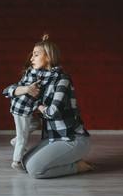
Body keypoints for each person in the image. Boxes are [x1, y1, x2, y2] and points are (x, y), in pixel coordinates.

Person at [10, 34, 96, 178]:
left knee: (35, 170)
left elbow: (53, 112)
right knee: (24, 162)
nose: (31, 58)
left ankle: (78, 166)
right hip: (52, 137)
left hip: (72, 138)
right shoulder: (39, 79)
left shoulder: (63, 80)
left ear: (48, 58)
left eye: (36, 55)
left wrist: (34, 105)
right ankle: (64, 159)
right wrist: (26, 90)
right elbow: (8, 91)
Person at [3, 53, 56, 172]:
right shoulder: (36, 73)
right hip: (22, 109)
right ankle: (16, 162)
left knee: (34, 124)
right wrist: (56, 69)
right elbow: (50, 75)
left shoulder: (31, 71)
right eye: (33, 56)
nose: (31, 59)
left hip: (21, 107)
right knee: (23, 138)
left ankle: (15, 140)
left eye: (36, 55)